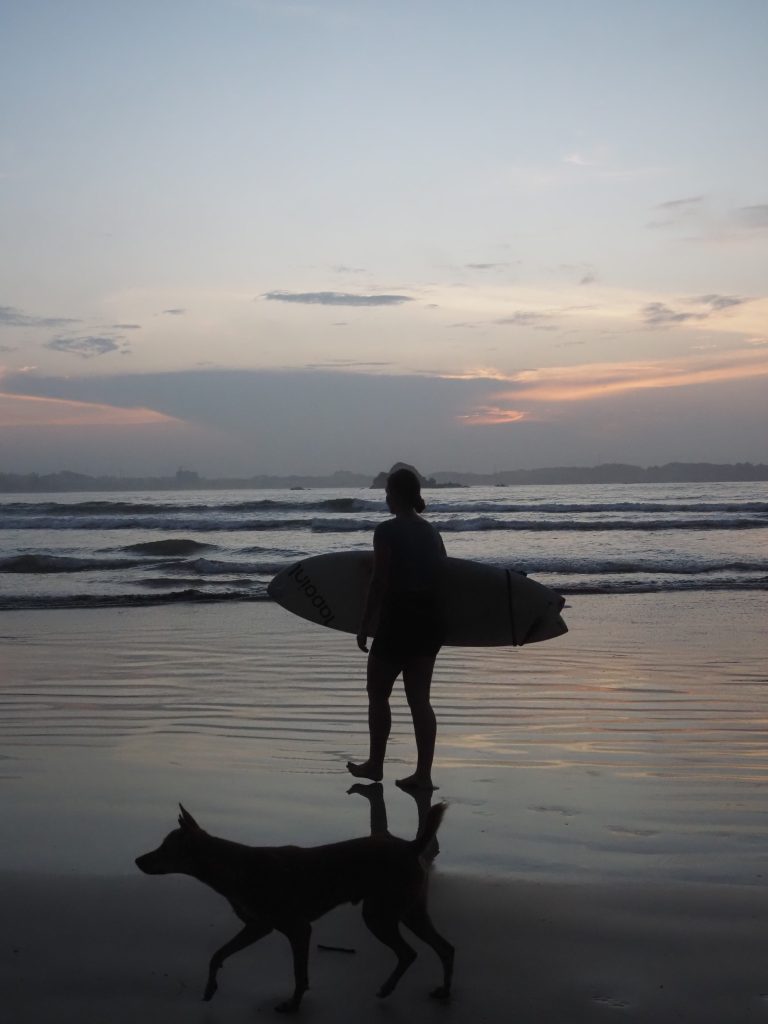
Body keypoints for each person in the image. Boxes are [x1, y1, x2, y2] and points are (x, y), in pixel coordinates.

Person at [347, 467, 446, 790]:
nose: (385, 498)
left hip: (398, 621)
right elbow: (441, 576)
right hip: (429, 622)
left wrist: (364, 624)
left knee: (378, 693)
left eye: (388, 492)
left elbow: (380, 582)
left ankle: (376, 765)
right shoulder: (432, 533)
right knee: (420, 700)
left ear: (396, 495)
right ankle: (424, 775)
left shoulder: (386, 531)